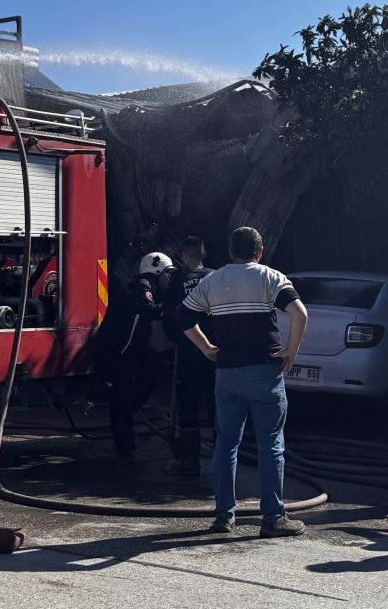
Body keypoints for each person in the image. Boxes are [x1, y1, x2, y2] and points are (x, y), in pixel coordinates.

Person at [179, 227, 309, 538]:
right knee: (271, 445)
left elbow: (181, 318)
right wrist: (291, 350)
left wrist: (207, 348)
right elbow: (299, 313)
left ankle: (224, 516)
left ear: (231, 252)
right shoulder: (271, 277)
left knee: (226, 444)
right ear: (260, 252)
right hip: (265, 371)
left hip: (227, 372)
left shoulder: (213, 280)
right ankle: (273, 517)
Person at [96, 251, 174, 464]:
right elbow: (148, 310)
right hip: (116, 352)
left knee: (156, 368)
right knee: (120, 398)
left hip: (130, 350)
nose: (169, 279)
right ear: (156, 271)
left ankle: (129, 409)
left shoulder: (145, 287)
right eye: (167, 274)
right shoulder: (141, 286)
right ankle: (124, 448)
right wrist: (173, 307)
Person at [163, 236, 215, 476]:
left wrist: (175, 339)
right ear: (203, 254)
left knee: (189, 406)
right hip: (216, 353)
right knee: (219, 405)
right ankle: (224, 459)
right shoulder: (216, 278)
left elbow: (171, 320)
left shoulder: (177, 282)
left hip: (188, 352)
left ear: (184, 256)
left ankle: (189, 460)